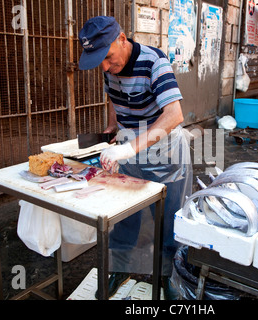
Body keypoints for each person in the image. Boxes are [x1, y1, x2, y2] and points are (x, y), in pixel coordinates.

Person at [78, 16, 193, 300]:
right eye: (99, 62)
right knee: (125, 216)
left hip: (165, 153)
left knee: (168, 221)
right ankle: (120, 268)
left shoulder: (155, 62)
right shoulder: (108, 67)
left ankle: (169, 276)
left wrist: (127, 149)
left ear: (122, 38)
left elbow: (174, 115)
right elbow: (113, 98)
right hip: (130, 149)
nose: (105, 67)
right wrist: (113, 128)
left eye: (107, 58)